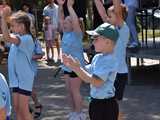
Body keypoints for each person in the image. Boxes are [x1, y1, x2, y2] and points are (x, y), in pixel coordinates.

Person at [62, 22, 119, 120]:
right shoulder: (97, 57)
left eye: (96, 39)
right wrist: (73, 65)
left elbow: (96, 82)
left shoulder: (110, 60)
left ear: (108, 42)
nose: (93, 42)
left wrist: (77, 69)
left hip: (106, 106)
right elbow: (86, 70)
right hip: (96, 103)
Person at [94, 0, 130, 119]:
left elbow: (117, 11)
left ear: (119, 16)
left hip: (119, 74)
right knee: (110, 104)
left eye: (110, 16)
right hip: (111, 72)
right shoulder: (111, 30)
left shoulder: (123, 29)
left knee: (114, 104)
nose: (107, 19)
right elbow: (102, 13)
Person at [0, 11, 35, 120]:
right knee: (17, 108)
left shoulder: (26, 39)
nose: (11, 28)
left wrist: (3, 19)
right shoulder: (18, 37)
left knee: (24, 110)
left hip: (24, 78)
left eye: (13, 26)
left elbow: (6, 38)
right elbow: (4, 36)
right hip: (16, 79)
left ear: (22, 26)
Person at [57, 0, 86, 119]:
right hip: (66, 67)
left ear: (74, 25)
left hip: (76, 67)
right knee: (69, 91)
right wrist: (60, 5)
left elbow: (74, 19)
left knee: (75, 91)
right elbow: (60, 18)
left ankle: (80, 113)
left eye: (68, 22)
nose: (64, 23)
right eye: (65, 22)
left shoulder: (77, 34)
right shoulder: (65, 33)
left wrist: (69, 6)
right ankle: (73, 111)